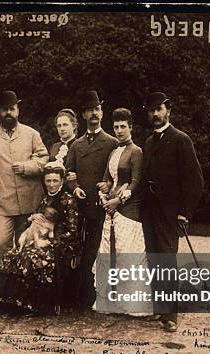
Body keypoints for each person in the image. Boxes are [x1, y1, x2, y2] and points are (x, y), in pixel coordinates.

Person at [140, 92, 204, 332]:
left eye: (159, 109)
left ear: (168, 110)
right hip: (150, 211)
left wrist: (183, 212)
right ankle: (160, 309)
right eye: (151, 110)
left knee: (167, 260)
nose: (155, 114)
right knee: (154, 259)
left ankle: (171, 316)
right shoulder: (148, 142)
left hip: (170, 213)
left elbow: (195, 181)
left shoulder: (180, 139)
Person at [0, 164, 80, 314]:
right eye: (48, 181)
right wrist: (32, 217)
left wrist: (50, 242)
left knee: (30, 257)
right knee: (11, 255)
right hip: (39, 239)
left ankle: (30, 304)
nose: (51, 184)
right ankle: (10, 301)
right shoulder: (45, 198)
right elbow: (33, 221)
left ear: (61, 181)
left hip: (60, 244)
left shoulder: (68, 200)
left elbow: (72, 232)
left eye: (55, 180)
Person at [0, 90, 49, 266]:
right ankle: (4, 286)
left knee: (28, 245)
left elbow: (44, 158)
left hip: (30, 201)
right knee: (1, 243)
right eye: (4, 109)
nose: (8, 113)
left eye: (12, 109)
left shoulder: (31, 134)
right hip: (3, 202)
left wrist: (26, 167)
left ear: (18, 110)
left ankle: (25, 288)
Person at [65, 90, 118, 308]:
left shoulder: (112, 143)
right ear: (84, 116)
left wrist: (109, 186)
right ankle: (76, 296)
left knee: (96, 250)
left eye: (97, 109)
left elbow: (118, 174)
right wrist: (75, 187)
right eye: (90, 111)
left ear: (102, 113)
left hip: (101, 208)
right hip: (80, 207)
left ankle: (95, 296)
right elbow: (68, 173)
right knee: (77, 249)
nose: (94, 114)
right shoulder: (76, 145)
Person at [93, 108, 149, 316]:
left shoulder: (136, 151)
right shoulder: (113, 152)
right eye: (115, 127)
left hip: (129, 209)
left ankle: (134, 305)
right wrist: (105, 189)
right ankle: (110, 301)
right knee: (109, 253)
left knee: (128, 254)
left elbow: (136, 182)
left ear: (131, 127)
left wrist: (118, 199)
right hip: (111, 208)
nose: (118, 131)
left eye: (123, 126)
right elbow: (108, 178)